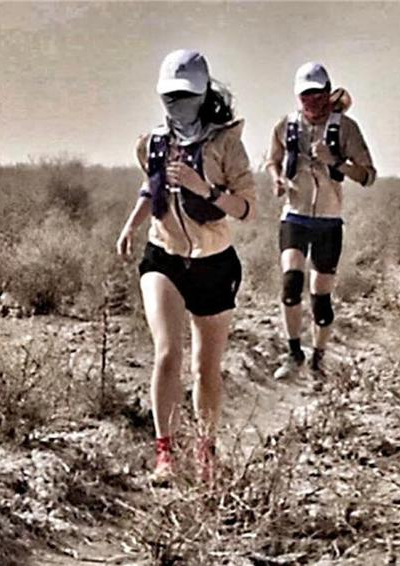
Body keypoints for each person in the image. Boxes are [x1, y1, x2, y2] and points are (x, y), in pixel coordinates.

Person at [116, 49, 255, 483]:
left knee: (205, 367)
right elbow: (151, 187)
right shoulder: (154, 142)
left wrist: (205, 189)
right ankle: (165, 453)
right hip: (164, 256)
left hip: (214, 263)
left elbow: (246, 207)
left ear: (203, 95)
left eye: (186, 96)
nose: (178, 105)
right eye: (171, 97)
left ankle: (205, 452)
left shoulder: (226, 144)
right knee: (167, 352)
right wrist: (131, 225)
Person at [265, 62, 376, 381]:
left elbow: (368, 175)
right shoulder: (285, 126)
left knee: (321, 299)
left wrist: (336, 162)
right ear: (298, 96)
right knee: (291, 283)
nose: (312, 102)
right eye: (306, 96)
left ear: (328, 93)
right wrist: (276, 179)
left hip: (328, 220)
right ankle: (293, 353)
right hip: (295, 215)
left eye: (318, 95)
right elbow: (271, 160)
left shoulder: (346, 129)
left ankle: (318, 358)